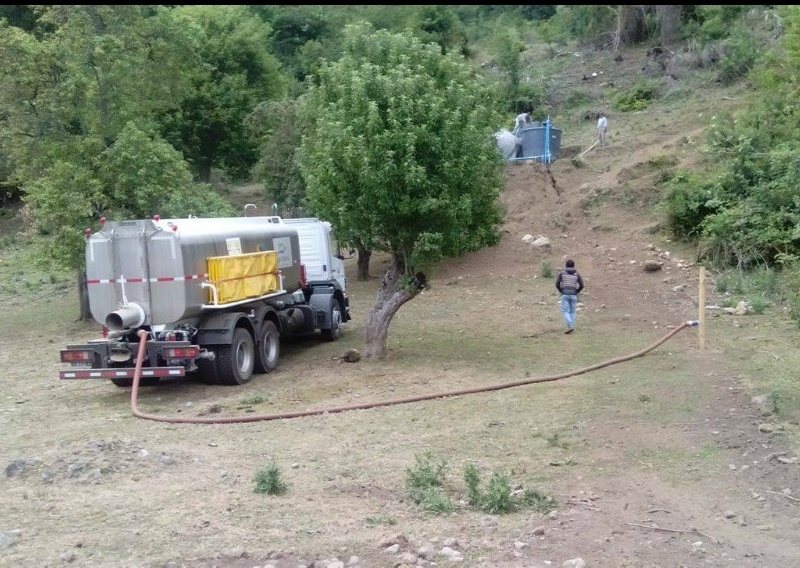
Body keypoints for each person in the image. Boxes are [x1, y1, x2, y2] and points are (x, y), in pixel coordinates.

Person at [555, 259, 584, 334]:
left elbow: (557, 283)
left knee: (565, 310)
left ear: (566, 265)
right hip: (573, 294)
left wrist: (561, 291)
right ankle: (571, 326)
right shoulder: (577, 274)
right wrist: (576, 292)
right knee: (572, 311)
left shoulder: (562, 273)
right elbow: (582, 285)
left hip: (565, 293)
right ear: (573, 266)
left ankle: (570, 325)